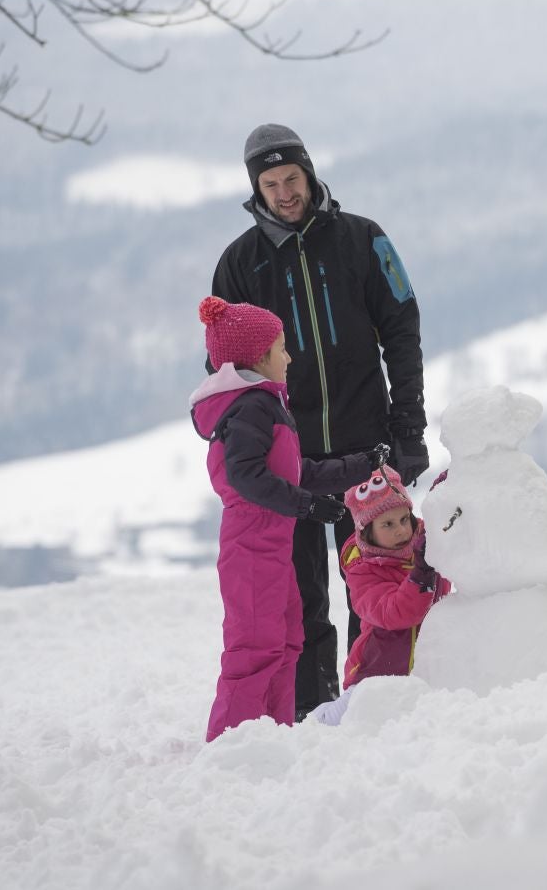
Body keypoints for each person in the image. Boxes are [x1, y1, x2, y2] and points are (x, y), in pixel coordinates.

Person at [211, 123, 431, 721]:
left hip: (370, 448)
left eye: (292, 178)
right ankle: (312, 712)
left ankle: (378, 702)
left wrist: (408, 429)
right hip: (293, 462)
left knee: (380, 582)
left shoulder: (364, 239)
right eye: (271, 183)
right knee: (303, 598)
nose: (285, 192)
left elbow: (403, 333)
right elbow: (227, 368)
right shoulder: (239, 264)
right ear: (255, 188)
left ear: (309, 172)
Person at [190, 296, 387, 741]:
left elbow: (300, 472)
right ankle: (231, 747)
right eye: (282, 347)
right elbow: (246, 477)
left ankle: (272, 737)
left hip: (273, 550)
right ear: (259, 358)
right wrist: (306, 506)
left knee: (287, 644)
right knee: (255, 650)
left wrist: (362, 465)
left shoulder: (266, 405)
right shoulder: (249, 409)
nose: (289, 356)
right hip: (250, 550)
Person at [308, 465, 451, 726]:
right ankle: (312, 726)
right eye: (387, 524)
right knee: (339, 722)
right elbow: (395, 613)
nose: (400, 531)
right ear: (367, 530)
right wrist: (421, 574)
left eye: (404, 519)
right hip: (374, 674)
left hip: (423, 673)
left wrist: (444, 494)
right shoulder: (363, 572)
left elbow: (442, 526)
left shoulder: (423, 547)